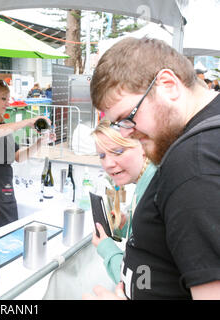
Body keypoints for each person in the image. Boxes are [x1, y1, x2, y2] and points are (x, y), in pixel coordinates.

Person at [85, 37, 220, 300]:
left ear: (168, 85)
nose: (129, 133)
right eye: (118, 125)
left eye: (128, 118)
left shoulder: (194, 165)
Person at [0, 79, 55, 236]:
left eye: (8, 99)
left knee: (9, 232)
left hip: (3, 186)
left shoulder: (2, 124)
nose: (7, 103)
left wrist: (40, 142)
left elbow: (18, 157)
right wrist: (27, 121)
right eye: (3, 98)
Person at [91, 119, 156, 285]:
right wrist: (127, 224)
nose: (108, 164)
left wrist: (106, 248)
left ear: (143, 146)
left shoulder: (153, 191)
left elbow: (141, 282)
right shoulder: (146, 181)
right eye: (102, 156)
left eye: (118, 152)